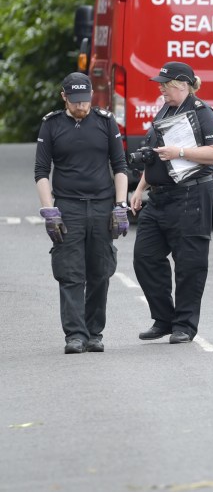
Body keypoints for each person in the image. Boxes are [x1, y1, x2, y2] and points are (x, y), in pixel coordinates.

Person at [130, 61, 213, 344]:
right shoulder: (166, 109)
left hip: (191, 194)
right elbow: (158, 154)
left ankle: (184, 324)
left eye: (165, 84)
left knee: (189, 263)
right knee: (145, 258)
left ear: (182, 84)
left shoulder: (201, 112)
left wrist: (180, 151)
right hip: (159, 196)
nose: (160, 88)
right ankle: (164, 318)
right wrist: (139, 188)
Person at [35, 73, 129, 354]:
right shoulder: (51, 125)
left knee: (100, 271)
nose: (81, 106)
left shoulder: (105, 121)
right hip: (68, 206)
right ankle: (75, 335)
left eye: (86, 100)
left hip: (102, 206)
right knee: (70, 272)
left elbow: (120, 165)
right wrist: (49, 209)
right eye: (75, 102)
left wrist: (121, 205)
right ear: (64, 97)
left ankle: (94, 332)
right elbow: (41, 171)